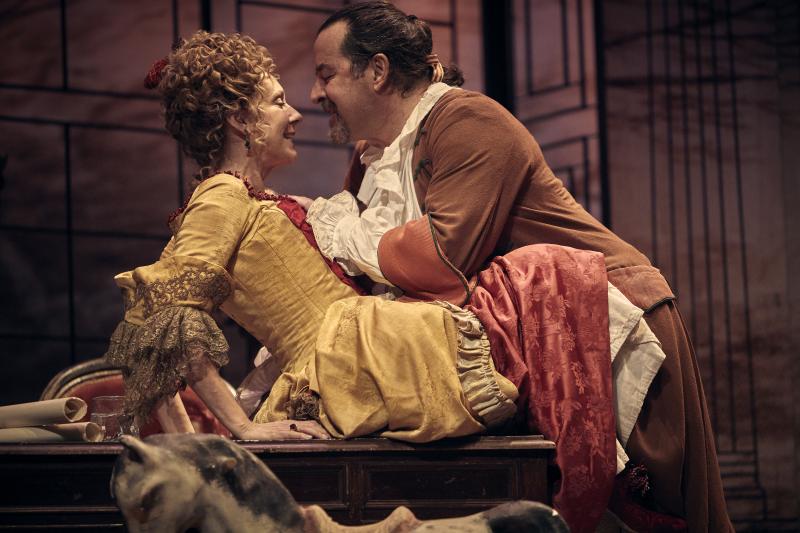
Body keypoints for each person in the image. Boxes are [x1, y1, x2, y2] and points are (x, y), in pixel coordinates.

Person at [105, 30, 665, 533]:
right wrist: (235, 431)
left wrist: (196, 439)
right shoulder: (221, 196)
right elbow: (162, 318)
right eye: (276, 102)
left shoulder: (251, 199)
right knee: (534, 280)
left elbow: (161, 327)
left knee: (536, 287)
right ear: (238, 121)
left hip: (360, 349)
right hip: (350, 359)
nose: (295, 113)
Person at [302, 2, 732, 532]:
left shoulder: (466, 119)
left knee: (642, 511)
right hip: (523, 342)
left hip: (599, 325)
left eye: (326, 74)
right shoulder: (373, 160)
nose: (315, 94)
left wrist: (338, 223)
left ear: (377, 71)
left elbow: (439, 261)